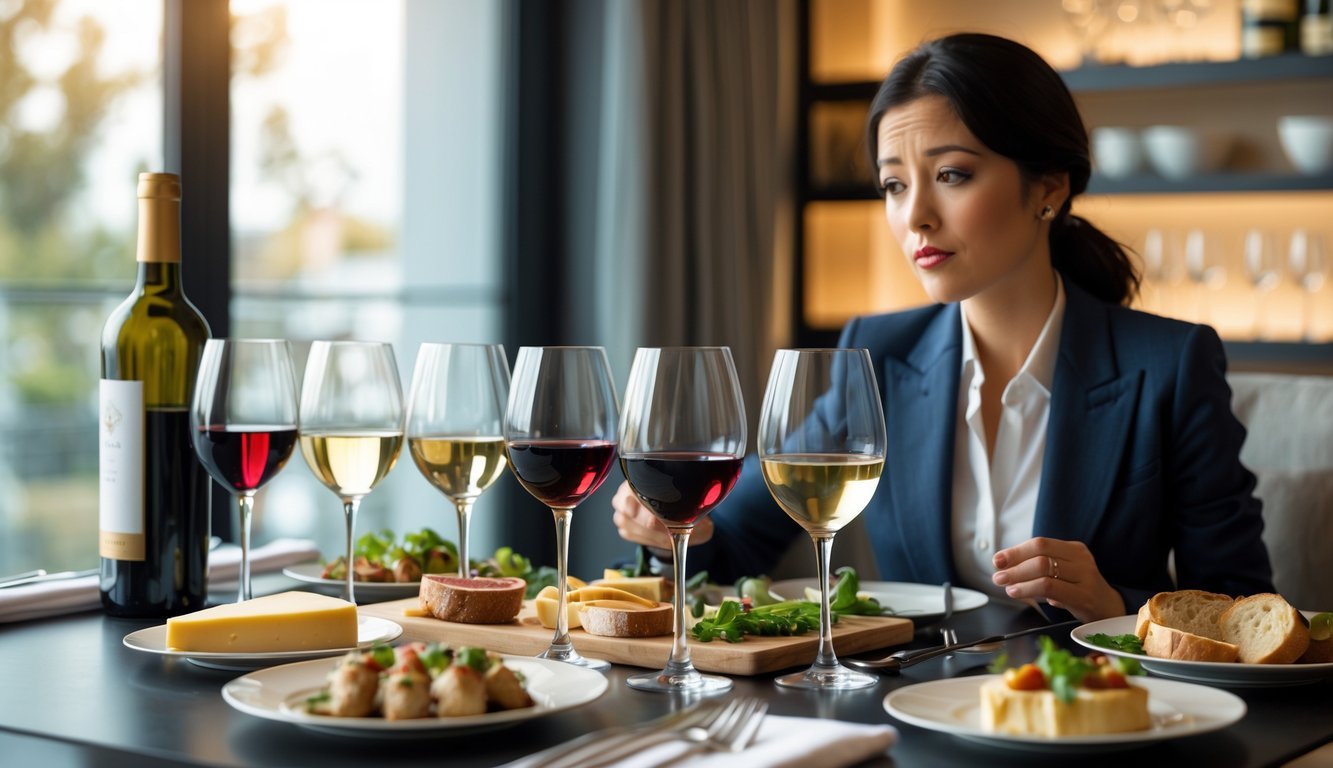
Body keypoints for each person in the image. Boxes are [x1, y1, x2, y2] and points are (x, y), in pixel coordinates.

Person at [612, 32, 1275, 624]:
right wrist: (678, 533)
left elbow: (1240, 606)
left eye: (951, 175)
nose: (916, 217)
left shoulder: (1169, 364)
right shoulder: (874, 353)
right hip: (910, 713)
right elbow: (737, 540)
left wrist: (1112, 606)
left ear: (1048, 187)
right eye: (893, 185)